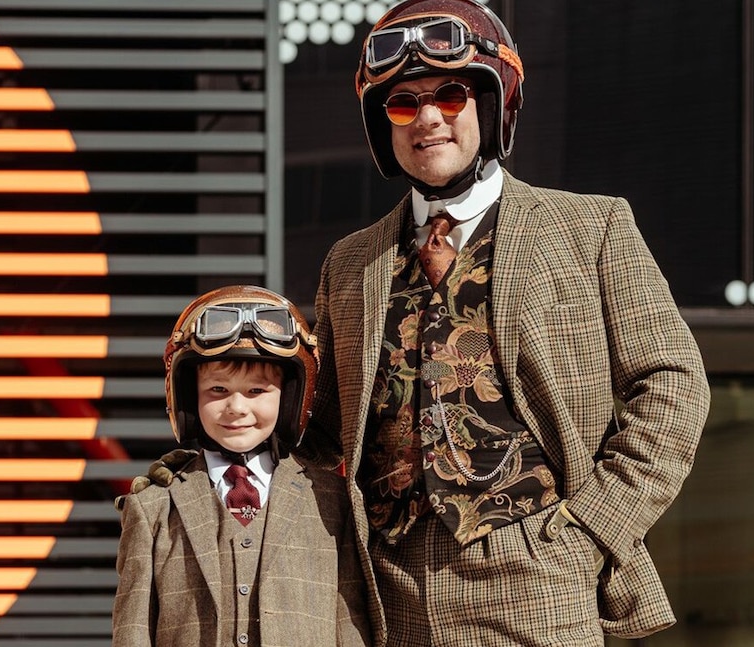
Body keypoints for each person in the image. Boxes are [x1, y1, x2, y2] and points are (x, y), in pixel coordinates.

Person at [132, 1, 710, 645]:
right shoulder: (351, 261)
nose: (428, 118)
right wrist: (209, 468)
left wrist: (591, 527)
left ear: (493, 105)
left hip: (539, 574)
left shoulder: (590, 230)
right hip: (386, 584)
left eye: (451, 94)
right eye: (402, 103)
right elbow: (321, 432)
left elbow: (673, 385)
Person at [112, 285, 378, 647]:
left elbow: (351, 630)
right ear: (188, 397)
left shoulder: (332, 502)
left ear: (290, 399)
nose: (236, 407)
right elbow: (132, 635)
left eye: (256, 391)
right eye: (217, 390)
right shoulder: (152, 509)